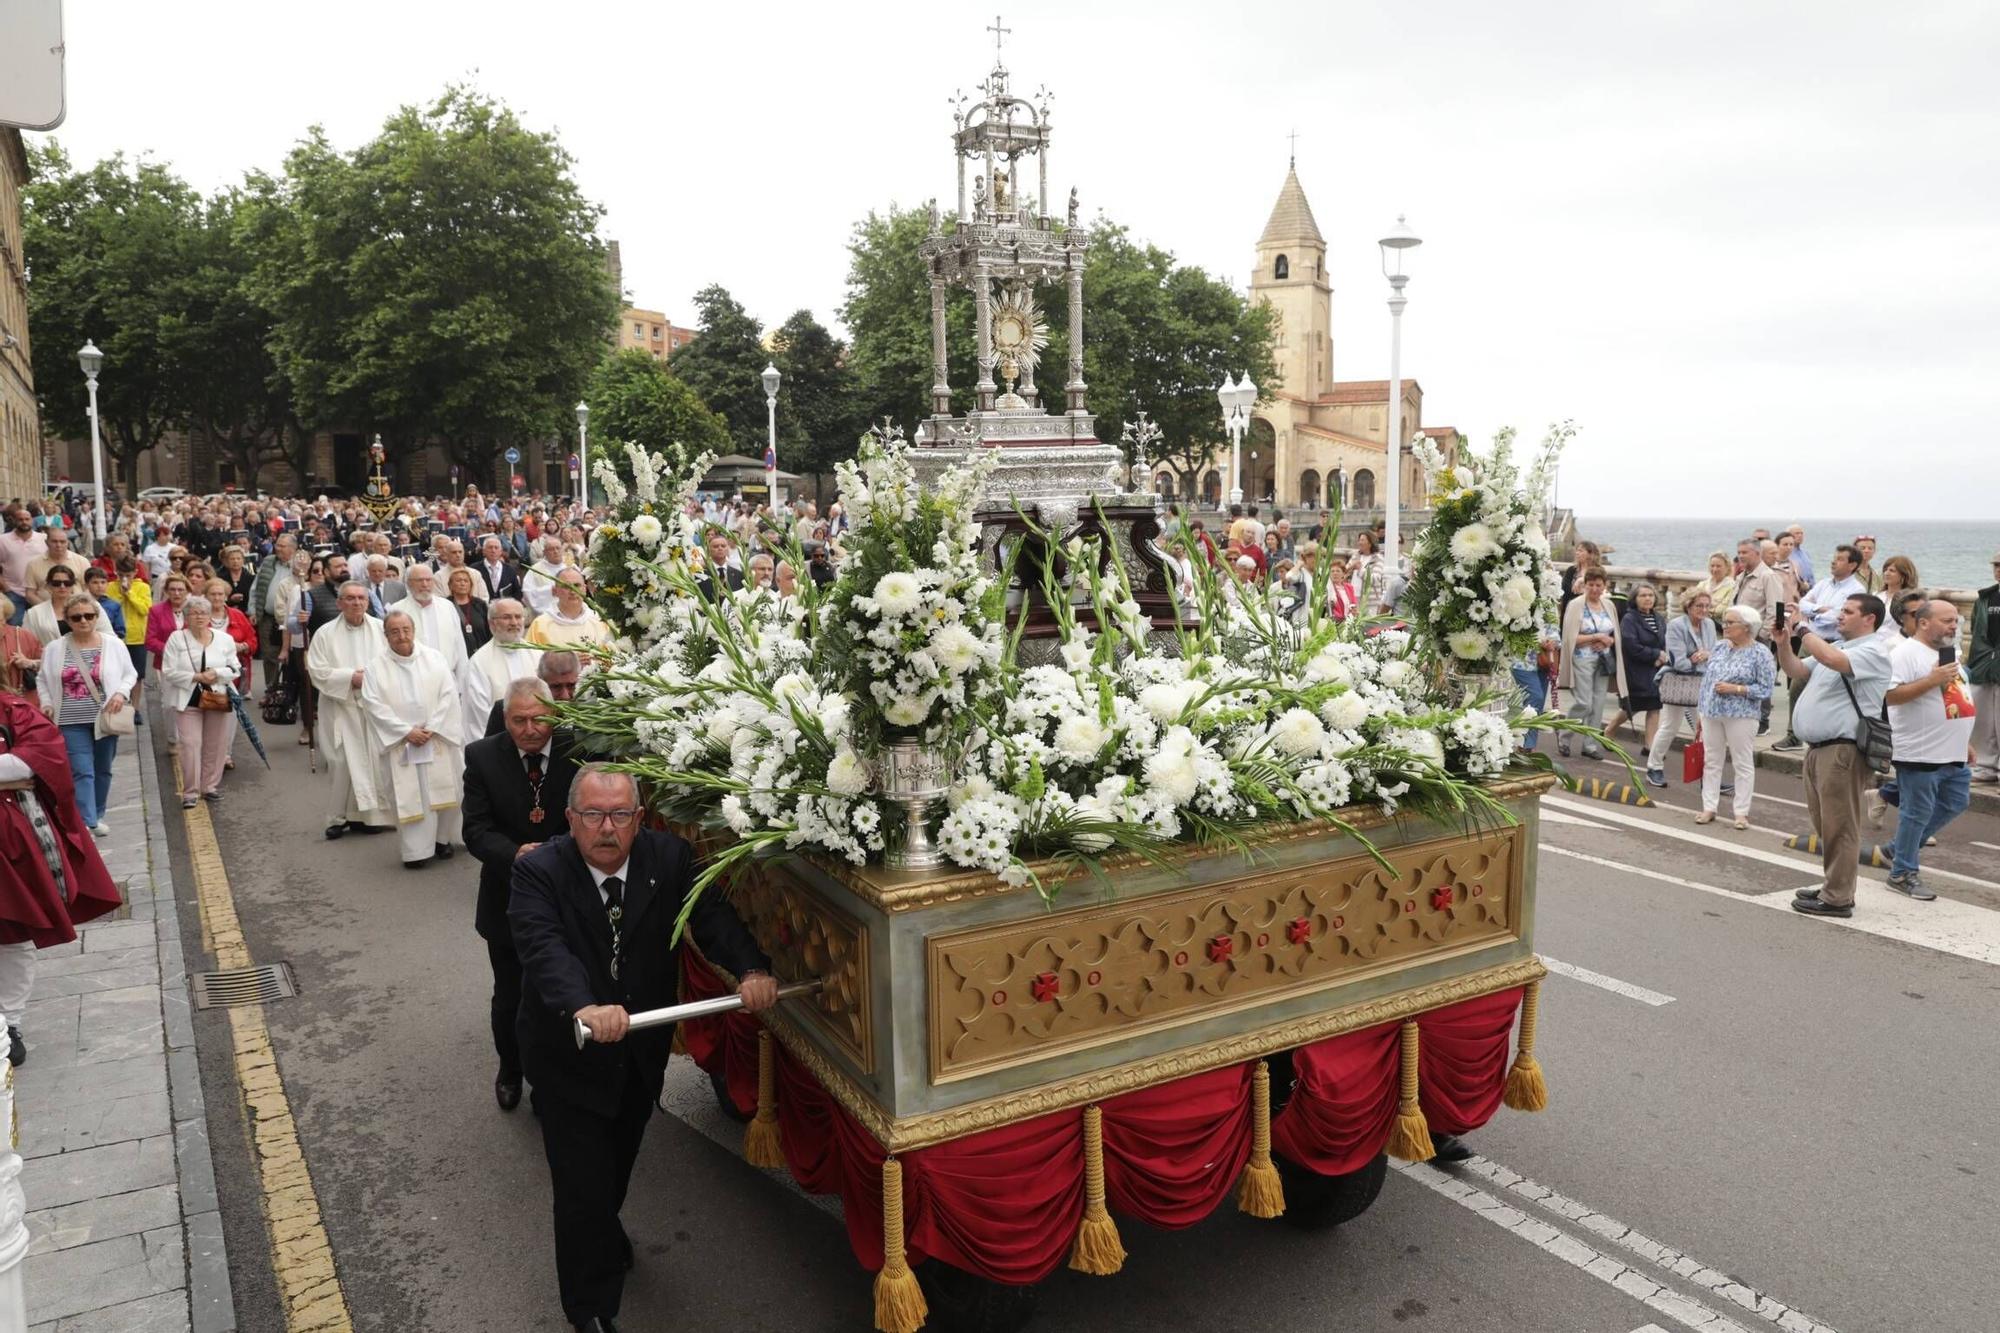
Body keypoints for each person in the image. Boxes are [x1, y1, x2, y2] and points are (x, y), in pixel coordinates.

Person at [509, 764, 776, 1333]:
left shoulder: (670, 858)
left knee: (617, 1163)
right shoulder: (538, 872)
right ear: (570, 818)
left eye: (621, 815)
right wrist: (583, 1005)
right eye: (593, 815)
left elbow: (712, 915)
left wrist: (750, 968)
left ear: (639, 816)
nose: (607, 829)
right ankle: (591, 1310)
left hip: (638, 1055)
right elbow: (542, 948)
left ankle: (604, 1229)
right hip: (569, 1055)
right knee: (581, 1189)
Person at [462, 679, 580, 1112]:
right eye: (518, 721)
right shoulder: (481, 756)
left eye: (539, 719)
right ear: (504, 718)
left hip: (568, 893)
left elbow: (591, 815)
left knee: (563, 990)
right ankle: (511, 1069)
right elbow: (474, 830)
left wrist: (558, 852)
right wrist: (516, 854)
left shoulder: (577, 749)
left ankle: (555, 1075)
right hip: (506, 895)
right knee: (510, 993)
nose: (530, 730)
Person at [0, 691, 123, 1065]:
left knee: (12, 935)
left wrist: (16, 771)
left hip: (11, 848)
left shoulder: (11, 708)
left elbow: (39, 759)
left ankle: (9, 1024)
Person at [1776, 593, 1894, 919]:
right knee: (1826, 824)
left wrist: (1801, 626)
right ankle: (1836, 886)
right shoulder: (1838, 648)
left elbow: (1830, 661)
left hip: (1841, 750)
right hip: (1818, 750)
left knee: (1841, 826)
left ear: (1869, 618)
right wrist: (1784, 643)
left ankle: (1838, 898)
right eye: (1841, 610)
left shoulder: (1873, 651)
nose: (1840, 616)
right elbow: (1797, 668)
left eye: (1848, 611)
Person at [1882, 600, 1974, 900]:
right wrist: (1931, 680)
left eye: (1955, 621)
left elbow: (1954, 696)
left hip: (1953, 748)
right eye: (1947, 620)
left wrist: (1965, 739)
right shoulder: (1904, 654)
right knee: (1916, 812)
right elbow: (1887, 696)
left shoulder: (1952, 653)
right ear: (1923, 623)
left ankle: (1898, 850)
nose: (1954, 626)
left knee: (1956, 802)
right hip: (1920, 750)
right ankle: (1902, 872)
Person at [361, 610, 465, 869]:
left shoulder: (434, 658)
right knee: (410, 796)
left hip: (436, 739)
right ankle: (416, 851)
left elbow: (448, 694)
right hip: (401, 745)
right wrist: (406, 731)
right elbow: (373, 705)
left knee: (447, 788)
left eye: (406, 629)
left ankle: (442, 840)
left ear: (414, 630)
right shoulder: (375, 668)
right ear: (385, 636)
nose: (401, 636)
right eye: (394, 631)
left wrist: (432, 728)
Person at [37, 591, 137, 835]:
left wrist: (120, 694)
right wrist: (47, 703)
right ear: (67, 620)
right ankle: (86, 823)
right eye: (77, 617)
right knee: (82, 770)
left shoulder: (112, 644)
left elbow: (130, 673)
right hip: (70, 721)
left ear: (96, 617)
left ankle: (97, 813)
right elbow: (41, 679)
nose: (83, 621)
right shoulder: (54, 648)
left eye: (89, 616)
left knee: (103, 768)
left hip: (105, 718)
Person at [305, 583, 392, 839]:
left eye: (361, 598)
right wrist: (351, 677)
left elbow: (392, 663)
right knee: (341, 762)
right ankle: (336, 817)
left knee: (372, 761)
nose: (356, 603)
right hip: (340, 706)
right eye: (350, 598)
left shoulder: (380, 629)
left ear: (368, 601)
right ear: (339, 603)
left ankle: (367, 816)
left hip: (373, 706)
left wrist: (373, 679)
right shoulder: (325, 633)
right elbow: (317, 670)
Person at [1775, 544, 1867, 752]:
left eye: (1840, 559)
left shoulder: (1856, 590)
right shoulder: (1824, 584)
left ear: (1852, 565)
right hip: (1811, 639)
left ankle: (1820, 736)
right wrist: (1819, 610)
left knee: (1825, 691)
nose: (1834, 561)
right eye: (1834, 557)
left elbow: (1836, 618)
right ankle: (1793, 735)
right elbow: (1802, 604)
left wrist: (1815, 613)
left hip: (1832, 644)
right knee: (1797, 686)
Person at [1697, 605, 1776, 829]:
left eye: (1731, 623)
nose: (1725, 626)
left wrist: (1737, 689)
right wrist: (1701, 708)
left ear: (1747, 627)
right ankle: (1708, 807)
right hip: (1711, 711)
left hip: (1741, 714)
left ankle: (1741, 812)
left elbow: (1765, 688)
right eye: (1725, 621)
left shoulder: (1761, 653)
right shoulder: (1721, 647)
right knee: (1712, 760)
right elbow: (1707, 680)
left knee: (1742, 762)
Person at [161, 596, 239, 809]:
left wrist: (216, 673)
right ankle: (190, 792)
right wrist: (196, 677)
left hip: (217, 697)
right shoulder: (177, 638)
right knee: (190, 744)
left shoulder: (224, 639)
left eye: (203, 613)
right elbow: (168, 671)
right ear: (186, 616)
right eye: (194, 613)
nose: (199, 617)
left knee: (216, 744)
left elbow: (235, 668)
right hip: (188, 701)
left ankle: (210, 786)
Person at [1654, 589, 1719, 787]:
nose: (1704, 610)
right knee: (1670, 726)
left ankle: (1709, 776)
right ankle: (1654, 767)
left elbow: (1714, 653)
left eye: (1707, 606)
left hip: (1702, 682)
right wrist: (1700, 658)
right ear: (1688, 606)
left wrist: (1705, 655)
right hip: (1680, 682)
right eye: (1699, 605)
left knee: (1706, 729)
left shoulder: (1708, 624)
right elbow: (1679, 662)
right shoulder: (1676, 625)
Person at [1557, 569, 1623, 759]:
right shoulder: (1575, 605)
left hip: (1603, 660)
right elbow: (1569, 638)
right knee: (1584, 703)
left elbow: (1614, 635)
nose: (1594, 589)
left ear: (1604, 586)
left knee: (1598, 703)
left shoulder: (1609, 605)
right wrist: (1596, 637)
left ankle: (1590, 744)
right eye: (1591, 585)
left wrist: (1607, 640)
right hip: (1582, 658)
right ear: (1584, 585)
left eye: (1598, 585)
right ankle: (1565, 737)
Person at [1610, 583, 1668, 781]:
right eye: (1643, 595)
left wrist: (1663, 656)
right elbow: (1630, 645)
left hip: (1656, 670)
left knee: (1654, 707)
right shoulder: (1629, 618)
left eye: (1651, 595)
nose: (1648, 599)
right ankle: (1609, 730)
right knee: (1632, 707)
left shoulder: (1658, 618)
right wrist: (1654, 654)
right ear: (1635, 598)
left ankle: (1649, 745)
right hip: (1637, 669)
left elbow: (1664, 640)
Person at [1730, 540, 1786, 734]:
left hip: (1757, 638)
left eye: (1745, 552)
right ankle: (1744, 714)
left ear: (1757, 553)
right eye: (1739, 552)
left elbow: (1775, 610)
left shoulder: (1768, 577)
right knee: (1741, 676)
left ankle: (1763, 721)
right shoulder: (1741, 576)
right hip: (1737, 636)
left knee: (1760, 678)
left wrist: (1762, 636)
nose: (1741, 555)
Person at [463, 598, 537, 737]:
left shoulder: (537, 654)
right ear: (492, 623)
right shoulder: (479, 662)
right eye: (506, 617)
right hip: (499, 741)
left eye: (518, 617)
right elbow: (479, 714)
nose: (514, 622)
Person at [391, 564, 471, 681]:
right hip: (411, 679)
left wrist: (462, 682)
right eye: (419, 580)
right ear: (408, 583)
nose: (425, 584)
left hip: (447, 678)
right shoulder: (396, 610)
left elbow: (459, 646)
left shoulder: (447, 607)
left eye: (428, 580)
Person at [485, 651, 582, 737]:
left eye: (571, 686)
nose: (565, 696)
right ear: (540, 681)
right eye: (556, 687)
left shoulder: (591, 711)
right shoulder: (508, 709)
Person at [525, 570, 608, 650]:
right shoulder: (540, 625)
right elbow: (531, 660)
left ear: (585, 589)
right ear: (555, 591)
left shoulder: (600, 621)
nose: (572, 591)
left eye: (577, 585)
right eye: (566, 586)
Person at [1972, 553, 2000, 784]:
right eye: (1997, 565)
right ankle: (1984, 766)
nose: (1999, 569)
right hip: (1983, 663)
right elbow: (1976, 630)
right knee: (1983, 718)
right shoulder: (1985, 597)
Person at [22, 567, 77, 646]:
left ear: (72, 585)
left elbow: (100, 633)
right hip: (47, 657)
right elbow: (26, 641)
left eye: (67, 583)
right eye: (56, 583)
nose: (62, 586)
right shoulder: (34, 613)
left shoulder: (90, 607)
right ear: (48, 586)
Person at [447, 567, 491, 657]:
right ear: (450, 585)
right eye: (458, 580)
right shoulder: (446, 605)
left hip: (482, 654)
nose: (462, 583)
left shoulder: (480, 604)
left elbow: (489, 630)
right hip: (457, 655)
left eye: (466, 581)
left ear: (471, 585)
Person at [523, 536, 570, 618]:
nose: (555, 551)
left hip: (570, 612)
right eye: (551, 549)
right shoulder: (535, 570)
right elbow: (528, 593)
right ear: (544, 552)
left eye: (558, 548)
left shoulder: (570, 566)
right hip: (546, 615)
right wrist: (549, 590)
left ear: (562, 549)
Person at [476, 535, 524, 601]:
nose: (493, 550)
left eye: (496, 548)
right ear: (483, 551)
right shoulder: (475, 570)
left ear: (501, 551)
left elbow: (517, 593)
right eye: (490, 547)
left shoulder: (510, 570)